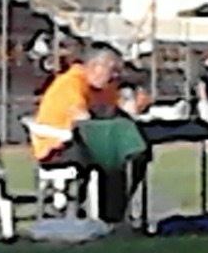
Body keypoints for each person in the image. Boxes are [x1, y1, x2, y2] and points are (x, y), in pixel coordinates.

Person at [32, 44, 143, 223]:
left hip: (91, 141)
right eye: (112, 70)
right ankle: (78, 210)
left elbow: (114, 113)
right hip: (58, 147)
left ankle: (115, 213)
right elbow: (82, 118)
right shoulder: (71, 83)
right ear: (94, 66)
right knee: (107, 159)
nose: (116, 76)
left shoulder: (105, 88)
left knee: (136, 155)